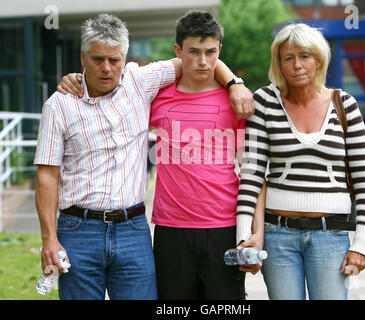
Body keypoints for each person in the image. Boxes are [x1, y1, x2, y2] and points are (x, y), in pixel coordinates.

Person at [36, 13, 253, 300]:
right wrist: (49, 239)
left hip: (133, 228)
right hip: (78, 230)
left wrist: (234, 83)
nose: (106, 68)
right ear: (82, 58)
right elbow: (47, 174)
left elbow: (200, 56)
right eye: (97, 59)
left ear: (125, 60)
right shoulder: (59, 105)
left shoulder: (139, 82)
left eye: (114, 60)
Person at [236, 23, 365, 300]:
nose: (297, 65)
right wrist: (245, 237)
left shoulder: (344, 104)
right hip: (278, 236)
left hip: (331, 236)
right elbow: (251, 174)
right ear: (278, 63)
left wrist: (361, 244)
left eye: (305, 56)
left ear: (319, 60)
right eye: (288, 58)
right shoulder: (265, 101)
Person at [149, 10, 247, 300]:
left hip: (224, 226)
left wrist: (252, 230)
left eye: (210, 52)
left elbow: (253, 169)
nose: (202, 61)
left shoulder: (239, 100)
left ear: (220, 51)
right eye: (193, 52)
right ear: (178, 51)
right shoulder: (157, 97)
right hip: (171, 228)